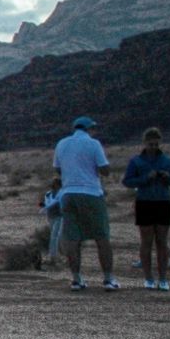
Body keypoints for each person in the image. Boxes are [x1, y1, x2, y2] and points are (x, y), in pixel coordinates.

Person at [55, 115, 118, 291]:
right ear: (88, 129)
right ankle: (108, 279)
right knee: (102, 236)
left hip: (68, 194)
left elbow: (58, 169)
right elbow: (105, 170)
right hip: (91, 192)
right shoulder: (93, 144)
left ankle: (77, 279)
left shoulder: (61, 144)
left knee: (73, 239)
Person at [123, 128, 170, 291]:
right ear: (145, 143)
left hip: (163, 202)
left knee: (162, 242)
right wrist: (145, 178)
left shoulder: (167, 161)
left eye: (156, 144)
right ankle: (148, 277)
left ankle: (163, 278)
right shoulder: (136, 161)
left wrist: (167, 177)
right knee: (146, 241)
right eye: (151, 144)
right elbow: (127, 181)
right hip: (144, 203)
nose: (153, 146)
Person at [41, 176, 65, 269]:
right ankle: (55, 255)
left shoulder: (59, 194)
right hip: (52, 216)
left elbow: (50, 204)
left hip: (58, 216)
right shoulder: (49, 194)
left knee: (55, 235)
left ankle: (54, 255)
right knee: (55, 235)